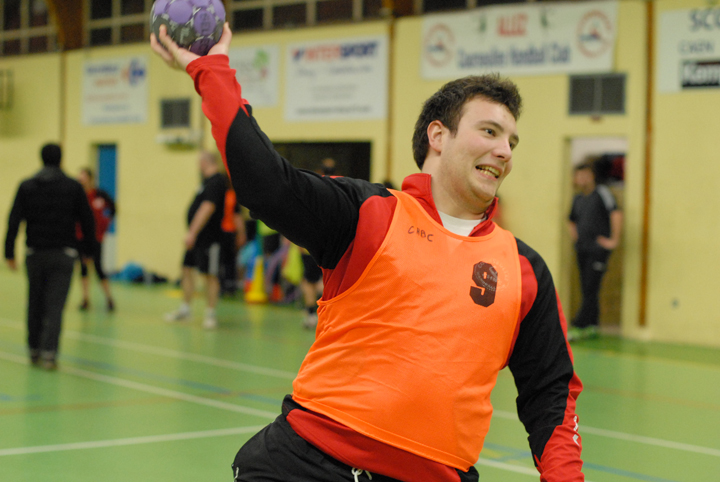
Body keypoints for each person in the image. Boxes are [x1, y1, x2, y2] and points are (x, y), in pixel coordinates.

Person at [152, 25, 584, 482]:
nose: (504, 151)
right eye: (490, 132)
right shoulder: (369, 213)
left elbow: (550, 394)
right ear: (438, 136)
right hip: (306, 464)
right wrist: (212, 71)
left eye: (511, 142)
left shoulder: (524, 269)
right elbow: (267, 186)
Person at [4, 143, 95, 370]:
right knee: (55, 306)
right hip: (64, 255)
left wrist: (9, 252)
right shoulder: (73, 187)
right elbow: (87, 221)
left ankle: (33, 349)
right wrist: (88, 251)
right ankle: (49, 354)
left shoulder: (27, 186)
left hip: (35, 253)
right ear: (61, 159)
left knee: (35, 302)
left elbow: (14, 219)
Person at [165, 150, 227, 329]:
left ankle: (210, 314)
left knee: (210, 275)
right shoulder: (205, 182)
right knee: (186, 269)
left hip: (210, 238)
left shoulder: (216, 181)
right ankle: (185, 309)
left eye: (199, 162)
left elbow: (207, 208)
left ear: (205, 162)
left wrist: (192, 232)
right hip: (197, 239)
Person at [567, 160, 622, 341]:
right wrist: (577, 238)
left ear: (592, 176)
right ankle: (592, 325)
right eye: (579, 175)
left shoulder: (602, 193)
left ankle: (578, 325)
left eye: (586, 175)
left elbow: (616, 213)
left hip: (597, 250)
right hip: (582, 249)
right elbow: (571, 220)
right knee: (586, 287)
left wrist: (614, 240)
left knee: (591, 287)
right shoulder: (577, 198)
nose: (582, 179)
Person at [76, 167, 117, 312]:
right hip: (81, 237)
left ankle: (109, 298)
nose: (81, 179)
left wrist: (106, 224)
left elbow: (113, 208)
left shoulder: (100, 195)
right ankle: (85, 299)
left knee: (98, 268)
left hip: (96, 238)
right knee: (83, 268)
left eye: (83, 177)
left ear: (90, 178)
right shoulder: (78, 195)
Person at [219, 182, 246, 296]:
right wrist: (242, 234)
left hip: (225, 231)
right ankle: (228, 286)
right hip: (227, 231)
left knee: (226, 260)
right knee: (229, 261)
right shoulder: (231, 195)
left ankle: (225, 285)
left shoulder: (227, 195)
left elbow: (237, 216)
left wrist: (241, 234)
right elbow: (237, 216)